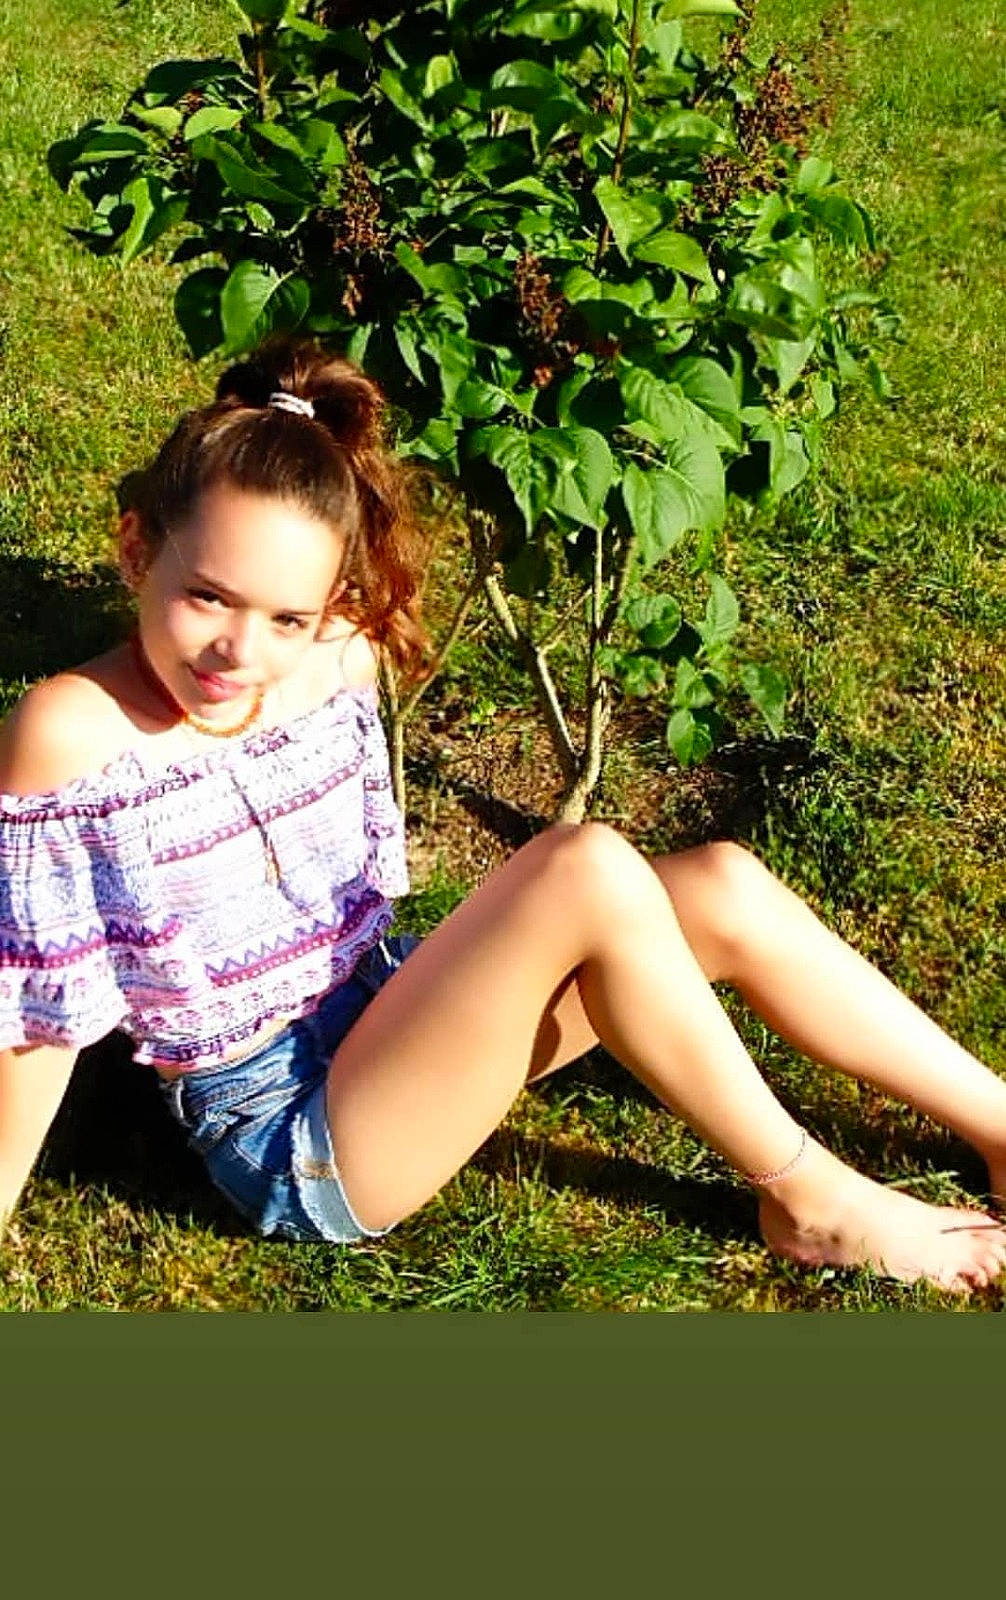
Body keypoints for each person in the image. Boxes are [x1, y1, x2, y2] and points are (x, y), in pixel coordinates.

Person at [2, 338, 1006, 1297]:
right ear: (138, 549)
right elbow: (34, 1019)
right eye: (206, 596)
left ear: (328, 604)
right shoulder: (72, 729)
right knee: (583, 868)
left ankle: (998, 1124)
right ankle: (811, 1197)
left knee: (721, 883)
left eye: (285, 616)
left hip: (385, 1009)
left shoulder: (331, 658)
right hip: (294, 1137)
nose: (238, 649)